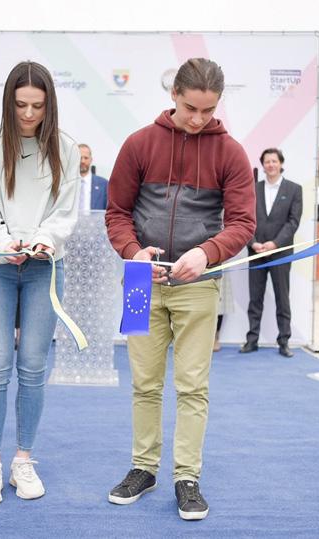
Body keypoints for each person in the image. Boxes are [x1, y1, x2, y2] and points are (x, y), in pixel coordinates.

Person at [104, 58, 256, 521]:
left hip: (199, 284)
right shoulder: (139, 144)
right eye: (191, 108)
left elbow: (243, 223)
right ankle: (143, 468)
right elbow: (117, 213)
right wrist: (133, 252)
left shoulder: (231, 153)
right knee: (144, 383)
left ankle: (187, 477)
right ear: (174, 94)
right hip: (140, 281)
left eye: (209, 110)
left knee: (193, 386)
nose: (198, 119)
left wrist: (207, 254)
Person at [0, 61, 81, 506]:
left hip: (44, 268)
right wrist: (2, 243)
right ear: (8, 102)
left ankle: (23, 460)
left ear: (50, 104)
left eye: (38, 105)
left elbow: (65, 211)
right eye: (20, 105)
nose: (29, 114)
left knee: (32, 365)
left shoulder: (65, 149)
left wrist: (45, 240)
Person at [240, 148, 303, 357]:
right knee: (255, 298)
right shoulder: (252, 189)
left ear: (281, 163)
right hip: (256, 252)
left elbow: (293, 222)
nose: (271, 165)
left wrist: (275, 244)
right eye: (267, 161)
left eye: (274, 161)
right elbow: (244, 218)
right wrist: (253, 243)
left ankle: (284, 341)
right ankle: (252, 340)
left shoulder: (294, 189)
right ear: (263, 165)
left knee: (282, 298)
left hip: (280, 253)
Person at [77, 143, 109, 211]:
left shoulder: (104, 184)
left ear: (91, 160)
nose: (82, 161)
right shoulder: (66, 184)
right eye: (80, 158)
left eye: (86, 158)